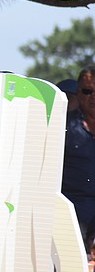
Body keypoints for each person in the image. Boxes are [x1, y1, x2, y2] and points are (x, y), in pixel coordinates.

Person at [62, 66, 95, 237]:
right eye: (87, 91)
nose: (93, 97)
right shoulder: (62, 126)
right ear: (78, 93)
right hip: (72, 216)